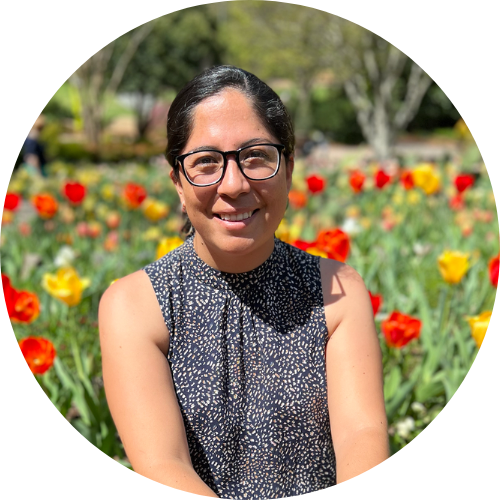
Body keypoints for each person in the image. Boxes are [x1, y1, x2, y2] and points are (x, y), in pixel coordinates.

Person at [99, 65, 389, 498]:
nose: (233, 185)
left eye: (256, 156)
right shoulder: (135, 305)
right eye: (206, 163)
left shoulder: (337, 292)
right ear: (177, 182)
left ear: (288, 168)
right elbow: (162, 463)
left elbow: (361, 436)